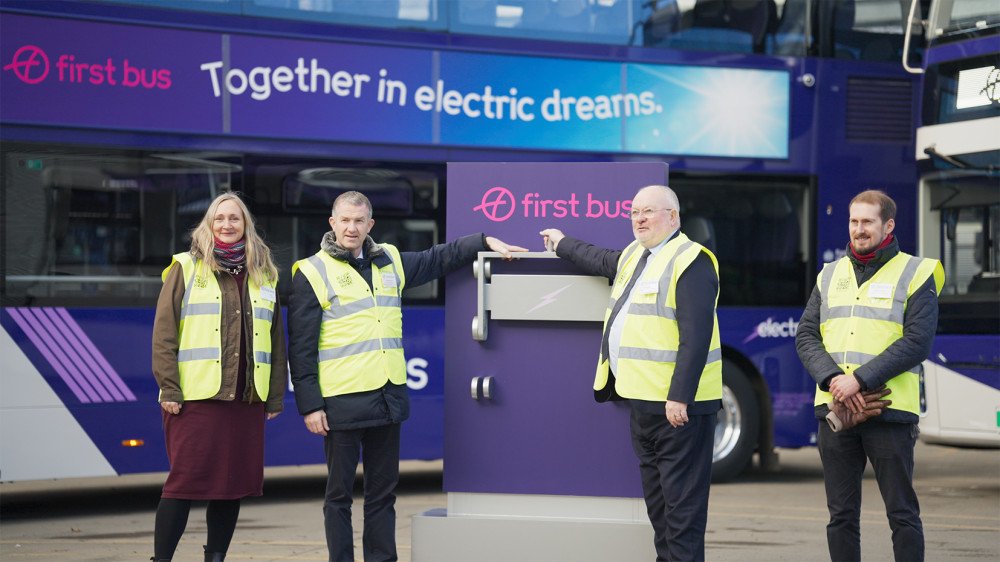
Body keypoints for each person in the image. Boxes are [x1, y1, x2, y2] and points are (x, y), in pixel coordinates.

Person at [288, 190, 527, 562]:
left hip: (388, 398)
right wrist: (310, 406)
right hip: (341, 402)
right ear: (332, 224)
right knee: (339, 497)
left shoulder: (391, 260)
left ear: (370, 225)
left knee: (383, 495)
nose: (352, 228)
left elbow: (438, 258)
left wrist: (482, 241)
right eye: (344, 221)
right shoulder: (311, 271)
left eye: (359, 221)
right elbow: (300, 347)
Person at [540, 184, 722, 562]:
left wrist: (680, 396)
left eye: (649, 212)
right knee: (660, 513)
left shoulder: (691, 260)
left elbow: (697, 336)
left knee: (682, 516)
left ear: (673, 217)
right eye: (635, 212)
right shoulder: (635, 256)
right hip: (644, 406)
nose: (640, 218)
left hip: (679, 412)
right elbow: (599, 259)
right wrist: (561, 243)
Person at [796, 189, 944, 562]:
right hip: (835, 409)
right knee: (841, 516)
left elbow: (917, 343)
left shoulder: (918, 272)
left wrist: (858, 380)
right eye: (854, 221)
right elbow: (806, 334)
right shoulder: (830, 274)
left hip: (888, 412)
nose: (858, 229)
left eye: (867, 222)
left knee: (902, 515)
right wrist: (833, 380)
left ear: (888, 225)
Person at [151, 192, 287, 562]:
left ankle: (216, 558)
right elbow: (164, 333)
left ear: (246, 225)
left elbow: (275, 340)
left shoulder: (265, 273)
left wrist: (274, 397)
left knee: (231, 488)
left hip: (246, 400)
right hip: (196, 399)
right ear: (209, 224)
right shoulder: (186, 267)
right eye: (220, 218)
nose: (227, 225)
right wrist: (169, 387)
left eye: (235, 219)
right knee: (182, 485)